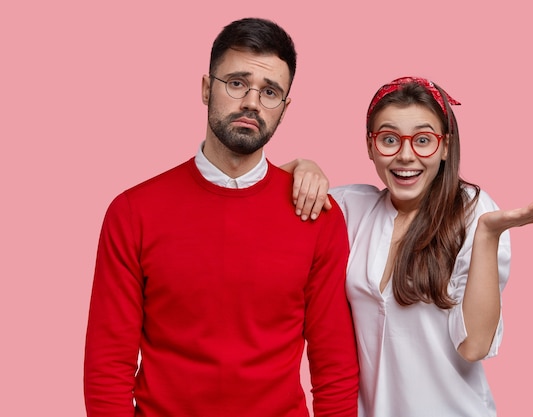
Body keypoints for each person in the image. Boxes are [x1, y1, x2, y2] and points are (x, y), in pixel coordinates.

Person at [83, 17, 359, 417]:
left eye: (269, 92)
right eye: (236, 83)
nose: (251, 101)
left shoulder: (316, 216)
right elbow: (107, 366)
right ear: (206, 88)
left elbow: (334, 368)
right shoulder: (132, 212)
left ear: (284, 109)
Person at [288, 76, 533, 416]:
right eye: (389, 139)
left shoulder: (472, 211)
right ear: (370, 145)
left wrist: (487, 236)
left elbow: (475, 345)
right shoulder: (351, 207)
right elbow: (267, 184)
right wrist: (304, 166)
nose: (406, 156)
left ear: (446, 146)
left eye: (423, 140)